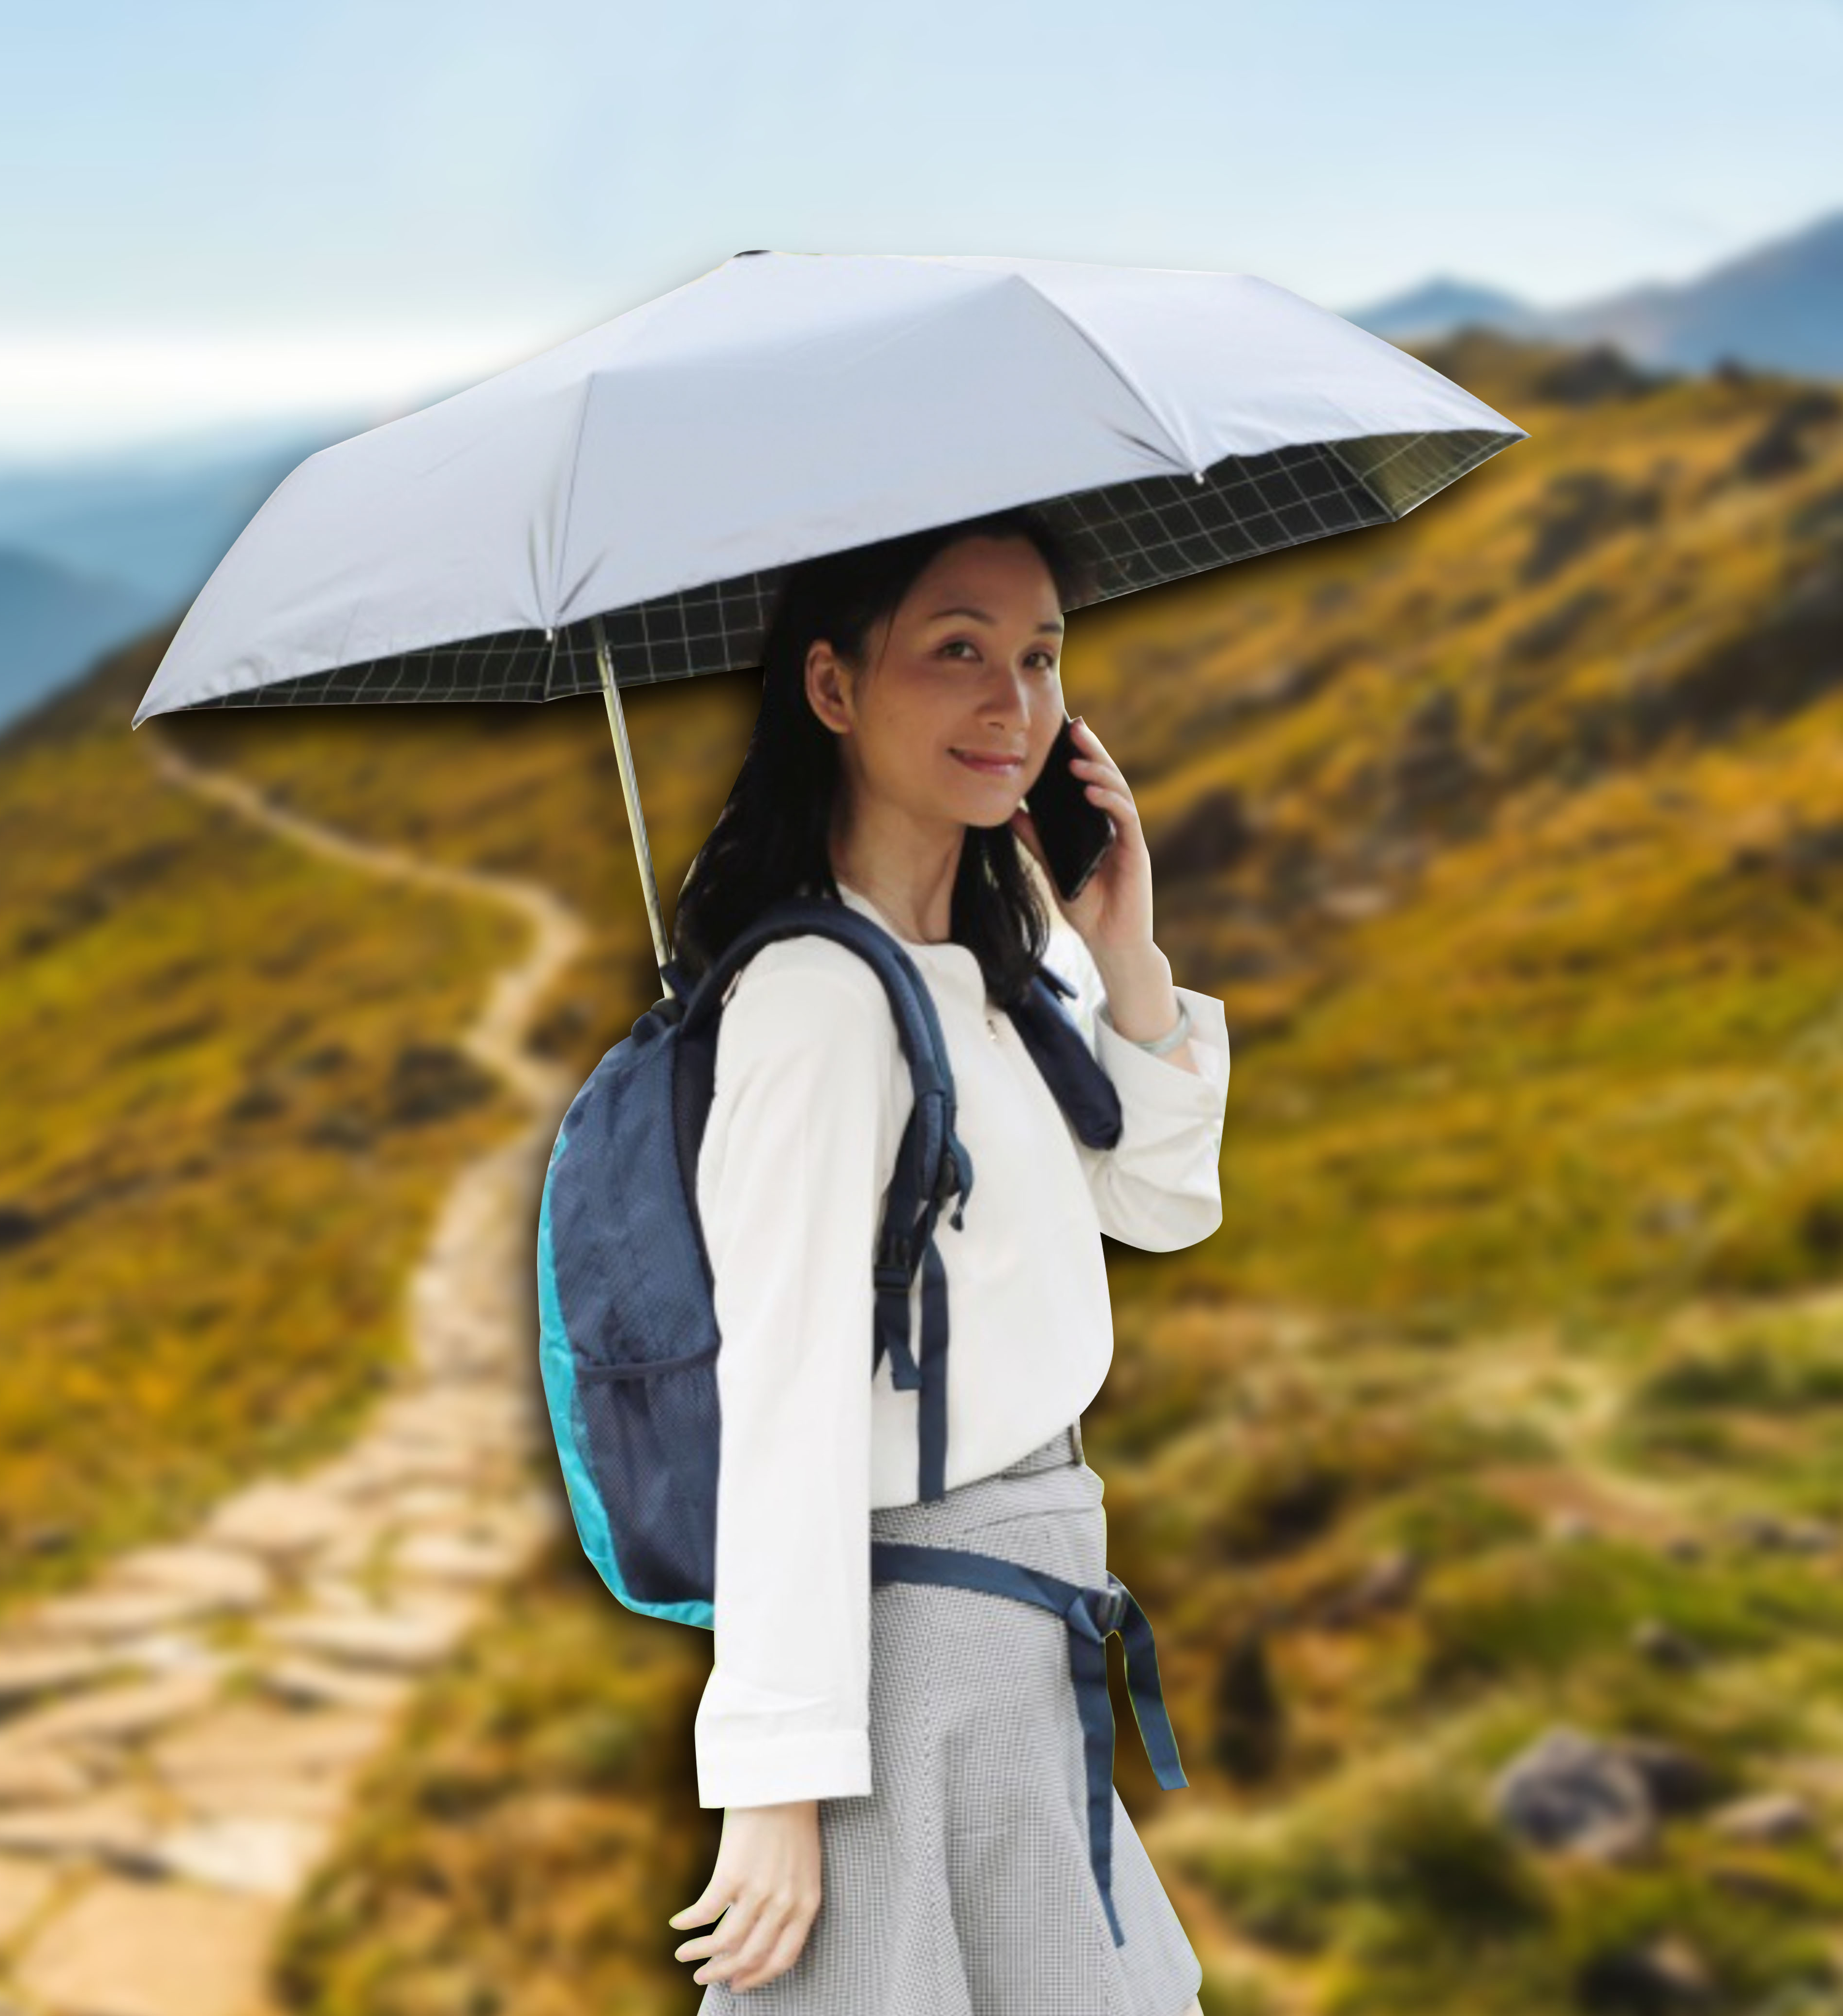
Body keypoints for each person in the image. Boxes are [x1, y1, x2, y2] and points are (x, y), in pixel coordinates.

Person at [663, 503, 1225, 2014]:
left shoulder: (998, 968)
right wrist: (776, 1777)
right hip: (906, 1659)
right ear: (833, 687)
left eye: (1040, 657)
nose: (1014, 706)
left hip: (1028, 1629)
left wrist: (1126, 958)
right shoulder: (814, 1003)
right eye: (957, 651)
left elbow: (1163, 1205)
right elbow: (779, 1402)